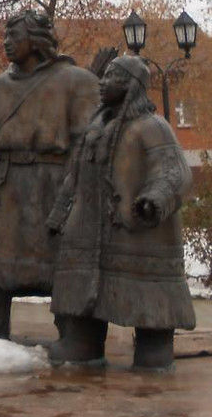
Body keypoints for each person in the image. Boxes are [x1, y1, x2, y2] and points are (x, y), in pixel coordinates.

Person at [0, 10, 100, 337]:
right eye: (5, 36)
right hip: (2, 188)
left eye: (14, 36)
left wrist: (75, 190)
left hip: (50, 185)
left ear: (35, 40)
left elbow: (88, 142)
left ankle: (77, 340)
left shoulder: (76, 81)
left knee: (61, 268)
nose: (6, 42)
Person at [47, 56, 195, 370]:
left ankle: (154, 341)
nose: (102, 82)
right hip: (88, 227)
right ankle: (84, 340)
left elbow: (175, 171)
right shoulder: (94, 128)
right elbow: (74, 175)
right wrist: (60, 213)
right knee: (82, 291)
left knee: (149, 302)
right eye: (103, 76)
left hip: (137, 227)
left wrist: (155, 198)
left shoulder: (153, 127)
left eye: (112, 76)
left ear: (130, 85)